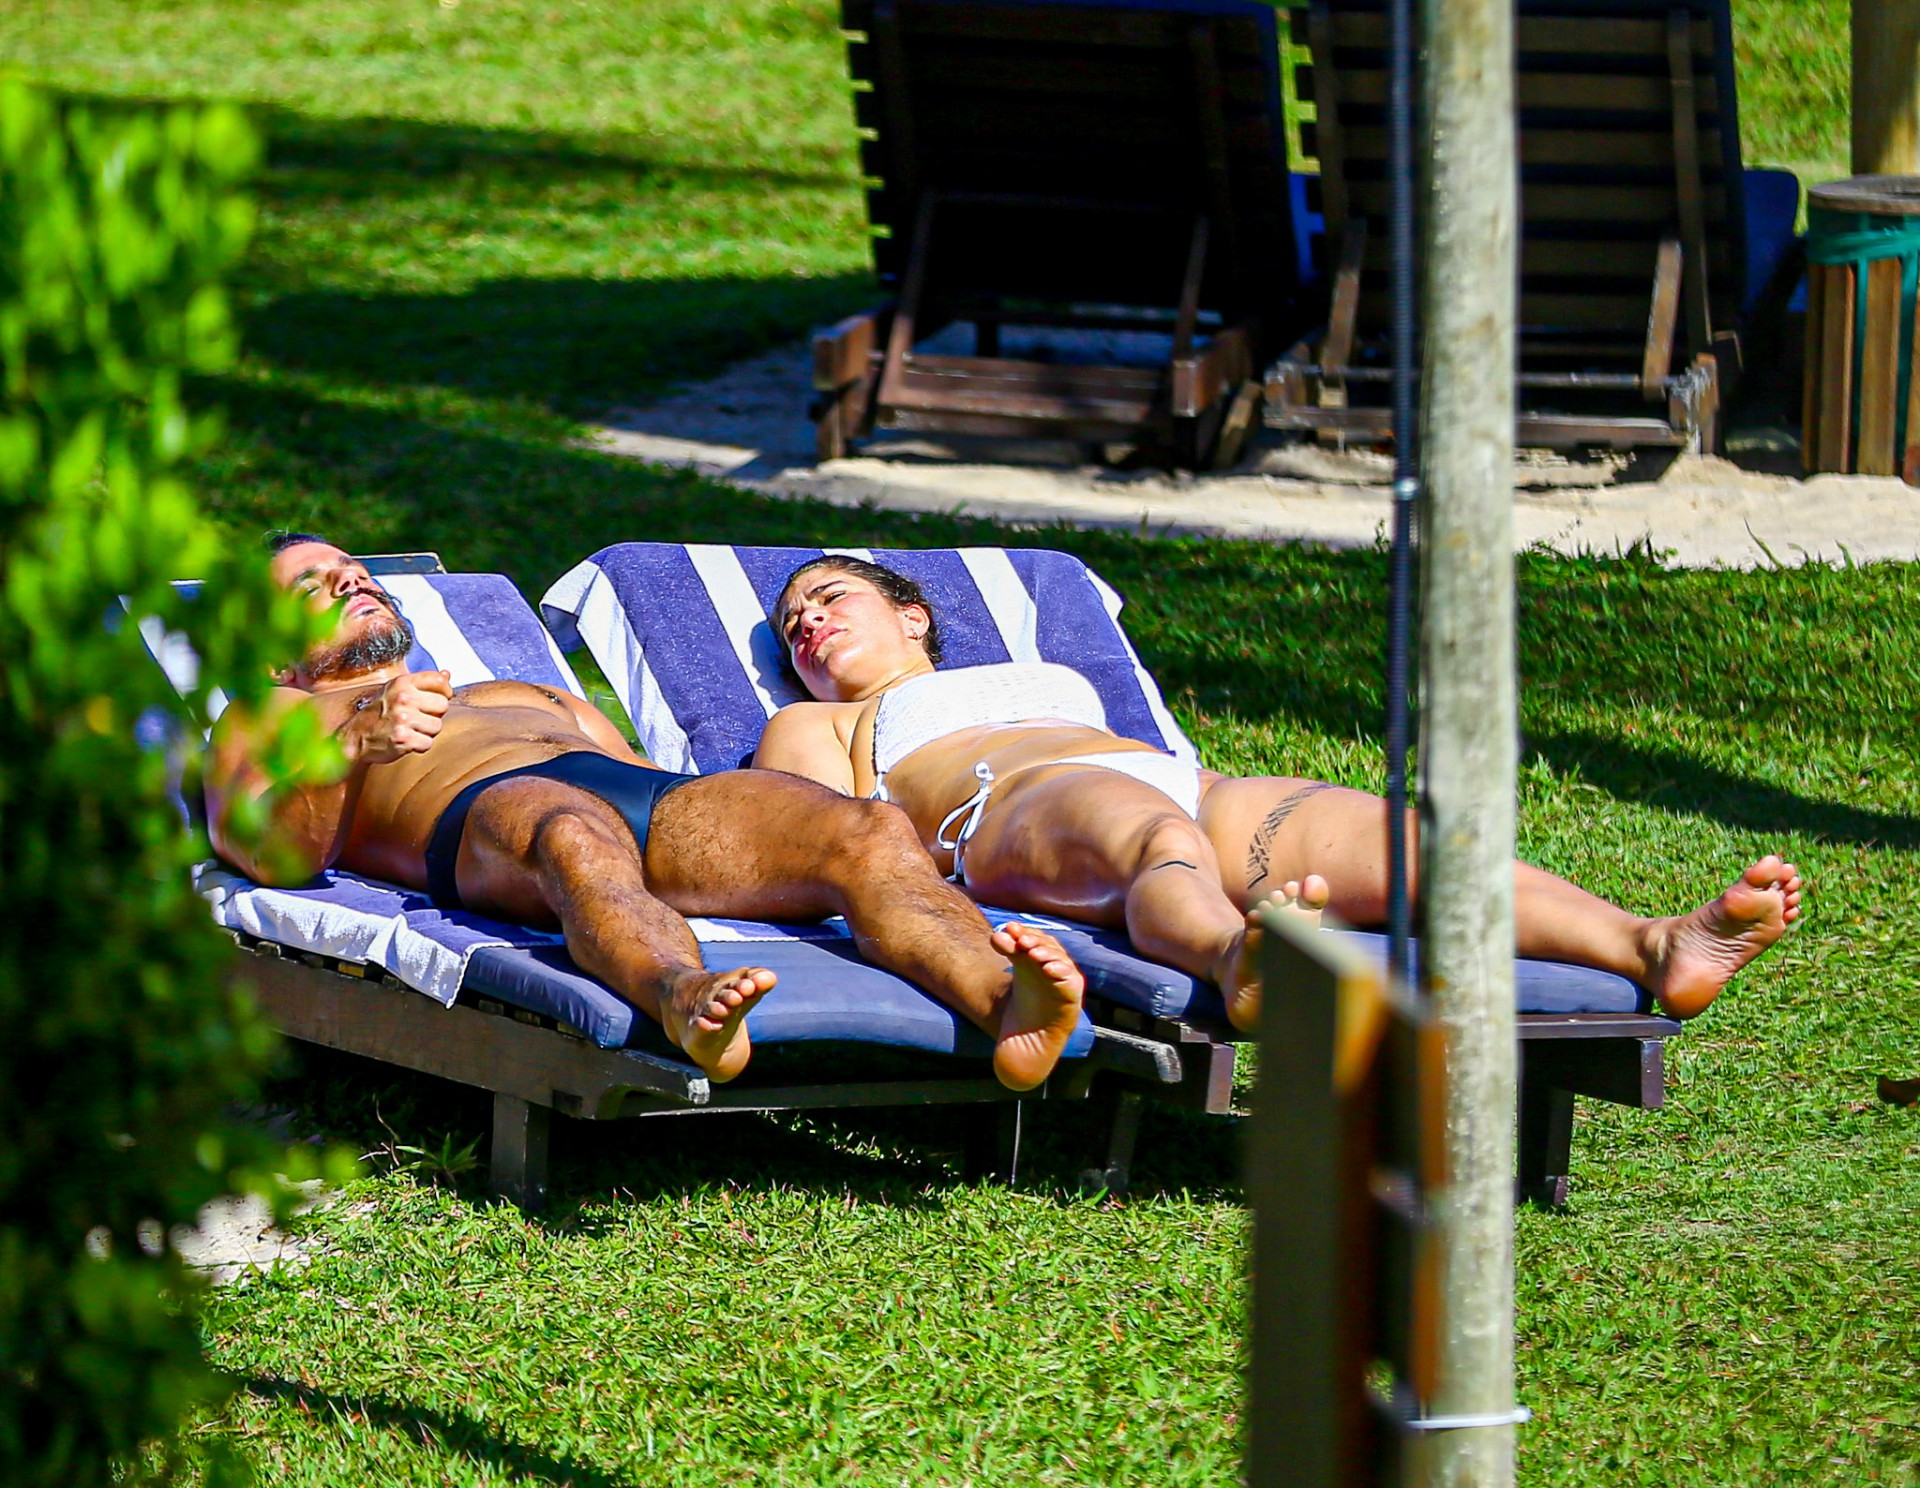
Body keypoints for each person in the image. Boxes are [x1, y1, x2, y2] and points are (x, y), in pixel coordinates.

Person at [754, 555, 1804, 1032]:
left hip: (1194, 785)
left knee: (1404, 844)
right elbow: (815, 838)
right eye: (794, 626)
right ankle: (1233, 958)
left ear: (914, 615)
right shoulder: (819, 724)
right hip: (1010, 807)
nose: (809, 625)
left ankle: (1651, 946)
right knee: (1152, 841)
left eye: (829, 598)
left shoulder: (1031, 669)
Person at [204, 535, 1085, 1089]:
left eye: (357, 574)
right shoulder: (271, 711)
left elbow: (651, 789)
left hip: (642, 800)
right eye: (317, 587)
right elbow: (264, 852)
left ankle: (1001, 1001)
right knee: (569, 831)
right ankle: (680, 994)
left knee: (864, 830)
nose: (353, 583)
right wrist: (356, 738)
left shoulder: (515, 688)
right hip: (491, 820)